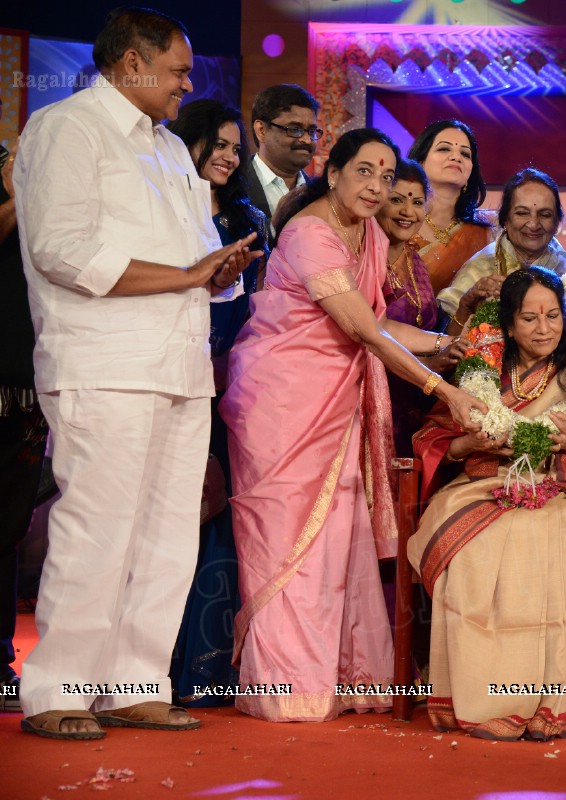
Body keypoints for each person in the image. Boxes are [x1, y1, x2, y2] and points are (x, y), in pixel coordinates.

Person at [14, 7, 259, 740]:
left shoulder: (166, 148)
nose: (190, 83)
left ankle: (133, 683)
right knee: (98, 527)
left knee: (166, 533)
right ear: (130, 63)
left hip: (180, 365)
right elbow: (63, 250)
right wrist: (188, 273)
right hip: (106, 361)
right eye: (179, 70)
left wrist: (216, 274)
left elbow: (190, 264)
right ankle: (58, 691)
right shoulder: (67, 129)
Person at [220, 128, 484, 723]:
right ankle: (289, 689)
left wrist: (453, 346)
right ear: (332, 171)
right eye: (364, 171)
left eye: (387, 176)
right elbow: (364, 330)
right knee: (289, 542)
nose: (377, 186)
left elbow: (381, 325)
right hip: (284, 405)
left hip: (337, 406)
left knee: (338, 539)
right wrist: (441, 386)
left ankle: (341, 679)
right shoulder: (309, 232)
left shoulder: (365, 230)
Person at [408, 266, 566, 740]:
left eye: (552, 316)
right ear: (507, 324)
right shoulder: (480, 370)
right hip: (479, 488)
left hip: (557, 490)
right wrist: (471, 447)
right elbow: (435, 435)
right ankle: (491, 702)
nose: (543, 328)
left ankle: (555, 705)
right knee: (472, 562)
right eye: (530, 318)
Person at [164, 99, 270, 706]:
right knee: (169, 523)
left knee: (218, 522)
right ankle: (142, 670)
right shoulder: (165, 211)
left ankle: (204, 675)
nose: (230, 156)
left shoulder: (244, 219)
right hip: (173, 379)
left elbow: (256, 310)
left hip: (232, 389)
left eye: (237, 148)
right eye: (220, 144)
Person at [0, 132, 46, 714]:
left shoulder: (17, 162)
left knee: (7, 529)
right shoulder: (16, 180)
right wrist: (17, 195)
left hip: (19, 384)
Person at [378, 158, 467, 456]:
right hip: (378, 396)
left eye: (417, 201)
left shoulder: (413, 257)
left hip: (418, 398)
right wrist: (430, 363)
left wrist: (446, 353)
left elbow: (426, 328)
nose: (408, 211)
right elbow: (372, 332)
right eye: (397, 200)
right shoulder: (365, 258)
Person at [437, 168, 566, 325]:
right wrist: (466, 305)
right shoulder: (481, 266)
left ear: (557, 223)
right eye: (522, 213)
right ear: (505, 220)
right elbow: (448, 338)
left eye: (545, 215)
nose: (533, 224)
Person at [407, 120, 496, 295]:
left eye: (465, 153)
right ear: (420, 161)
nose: (456, 157)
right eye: (444, 149)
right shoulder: (394, 220)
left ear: (471, 171)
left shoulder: (487, 231)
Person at [246, 84, 320, 237]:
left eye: (311, 131)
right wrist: (273, 226)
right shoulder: (231, 183)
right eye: (294, 129)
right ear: (262, 130)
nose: (307, 140)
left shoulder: (320, 193)